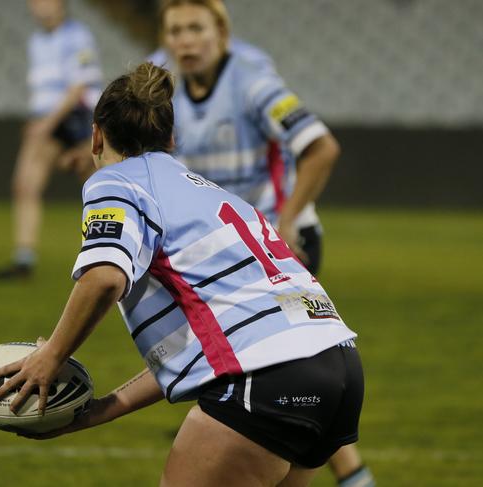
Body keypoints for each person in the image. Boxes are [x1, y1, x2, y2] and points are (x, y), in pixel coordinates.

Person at [0, 62, 364, 487]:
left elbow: (104, 278)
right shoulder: (209, 194)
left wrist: (51, 355)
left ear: (96, 135)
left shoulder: (116, 181)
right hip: (339, 369)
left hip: (266, 375)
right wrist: (97, 410)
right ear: (170, 139)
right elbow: (211, 342)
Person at [153, 2, 375, 484]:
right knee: (273, 373)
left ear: (222, 34)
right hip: (227, 253)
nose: (185, 40)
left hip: (279, 248)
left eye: (196, 28)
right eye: (176, 31)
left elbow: (321, 146)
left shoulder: (252, 79)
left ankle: (352, 474)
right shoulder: (162, 80)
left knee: (287, 364)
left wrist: (288, 221)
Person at [0, 0, 103, 280]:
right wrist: (38, 119)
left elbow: (79, 87)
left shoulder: (78, 36)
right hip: (47, 119)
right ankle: (24, 260)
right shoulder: (36, 42)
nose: (39, 5)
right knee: (25, 185)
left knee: (98, 188)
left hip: (76, 116)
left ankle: (107, 254)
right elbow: (42, 89)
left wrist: (46, 124)